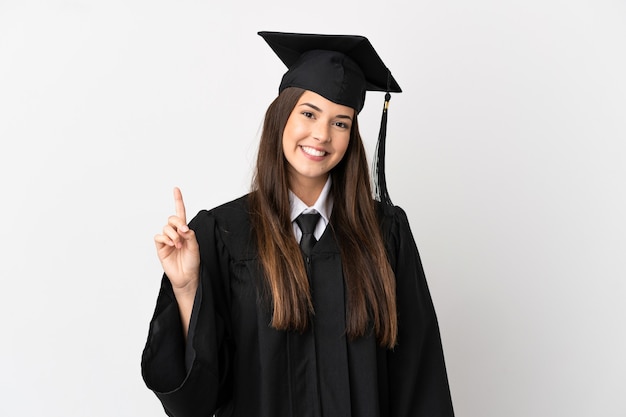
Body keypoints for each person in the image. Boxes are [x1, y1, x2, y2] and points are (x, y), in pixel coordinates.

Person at [142, 31, 455, 417]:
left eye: (341, 123)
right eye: (309, 113)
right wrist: (188, 288)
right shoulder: (222, 234)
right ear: (281, 116)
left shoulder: (386, 233)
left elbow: (419, 380)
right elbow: (196, 401)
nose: (322, 135)